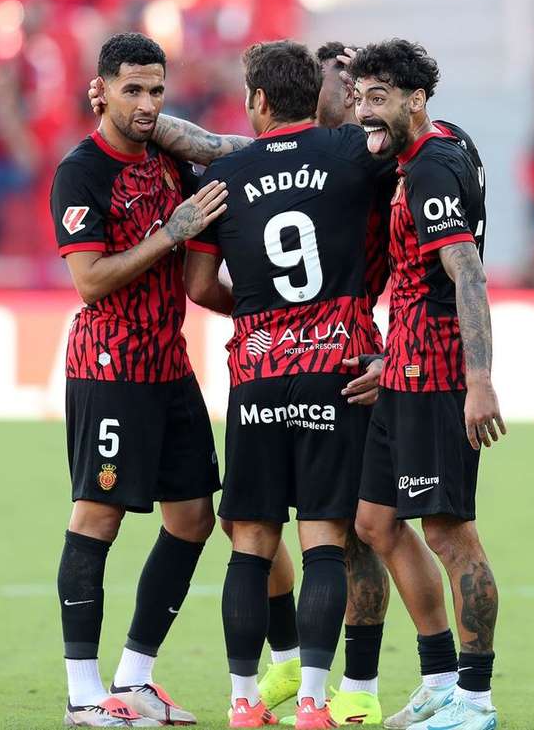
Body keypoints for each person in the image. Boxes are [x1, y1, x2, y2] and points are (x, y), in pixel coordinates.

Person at [182, 39, 389, 730]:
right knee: (325, 540)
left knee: (251, 542)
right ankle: (311, 703)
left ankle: (243, 701)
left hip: (259, 376)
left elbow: (200, 284)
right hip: (337, 371)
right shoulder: (354, 154)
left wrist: (258, 314)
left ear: (259, 102)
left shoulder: (226, 172)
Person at [50, 32, 229, 728]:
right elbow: (90, 280)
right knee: (98, 515)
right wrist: (170, 234)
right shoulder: (82, 170)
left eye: (157, 89)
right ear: (103, 89)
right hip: (110, 366)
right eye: (133, 89)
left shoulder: (168, 158)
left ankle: (135, 677)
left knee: (193, 517)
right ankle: (83, 691)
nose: (148, 103)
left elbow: (220, 152)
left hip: (167, 362)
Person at [348, 40, 507, 730]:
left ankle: (475, 701)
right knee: (376, 522)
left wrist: (479, 380)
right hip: (403, 368)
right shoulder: (428, 150)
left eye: (377, 99)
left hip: (439, 374)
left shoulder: (434, 164)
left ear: (416, 100)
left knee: (450, 535)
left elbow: (465, 270)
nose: (363, 113)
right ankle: (441, 680)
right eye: (359, 98)